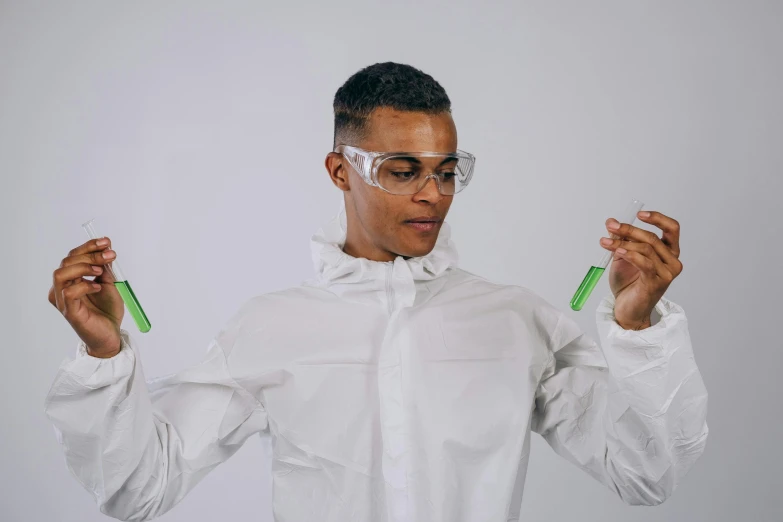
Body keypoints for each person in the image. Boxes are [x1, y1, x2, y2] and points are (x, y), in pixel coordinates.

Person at [44, 62, 709, 522]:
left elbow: (644, 475)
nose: (432, 193)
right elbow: (137, 489)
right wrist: (105, 357)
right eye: (402, 170)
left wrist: (639, 329)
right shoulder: (272, 327)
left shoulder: (516, 322)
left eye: (448, 170)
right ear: (341, 171)